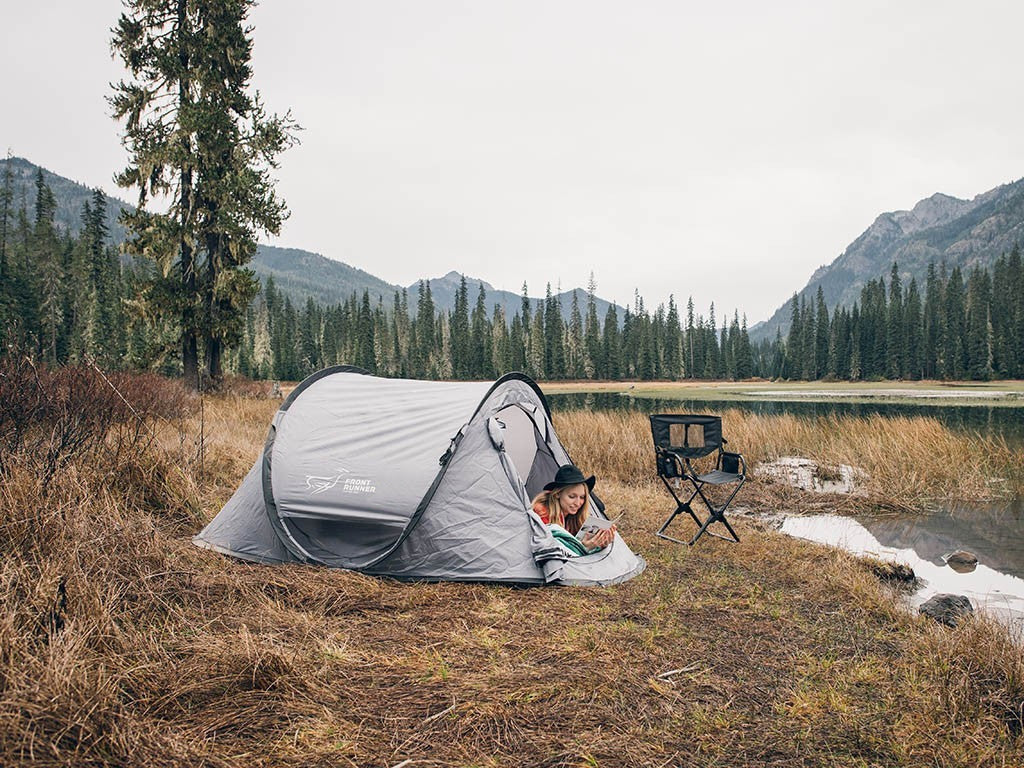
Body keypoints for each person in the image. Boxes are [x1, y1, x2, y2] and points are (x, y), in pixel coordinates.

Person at [531, 464, 616, 553]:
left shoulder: (575, 517)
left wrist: (601, 543)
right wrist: (584, 548)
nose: (578, 503)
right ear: (557, 494)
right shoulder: (542, 514)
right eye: (572, 496)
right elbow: (552, 553)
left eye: (582, 497)